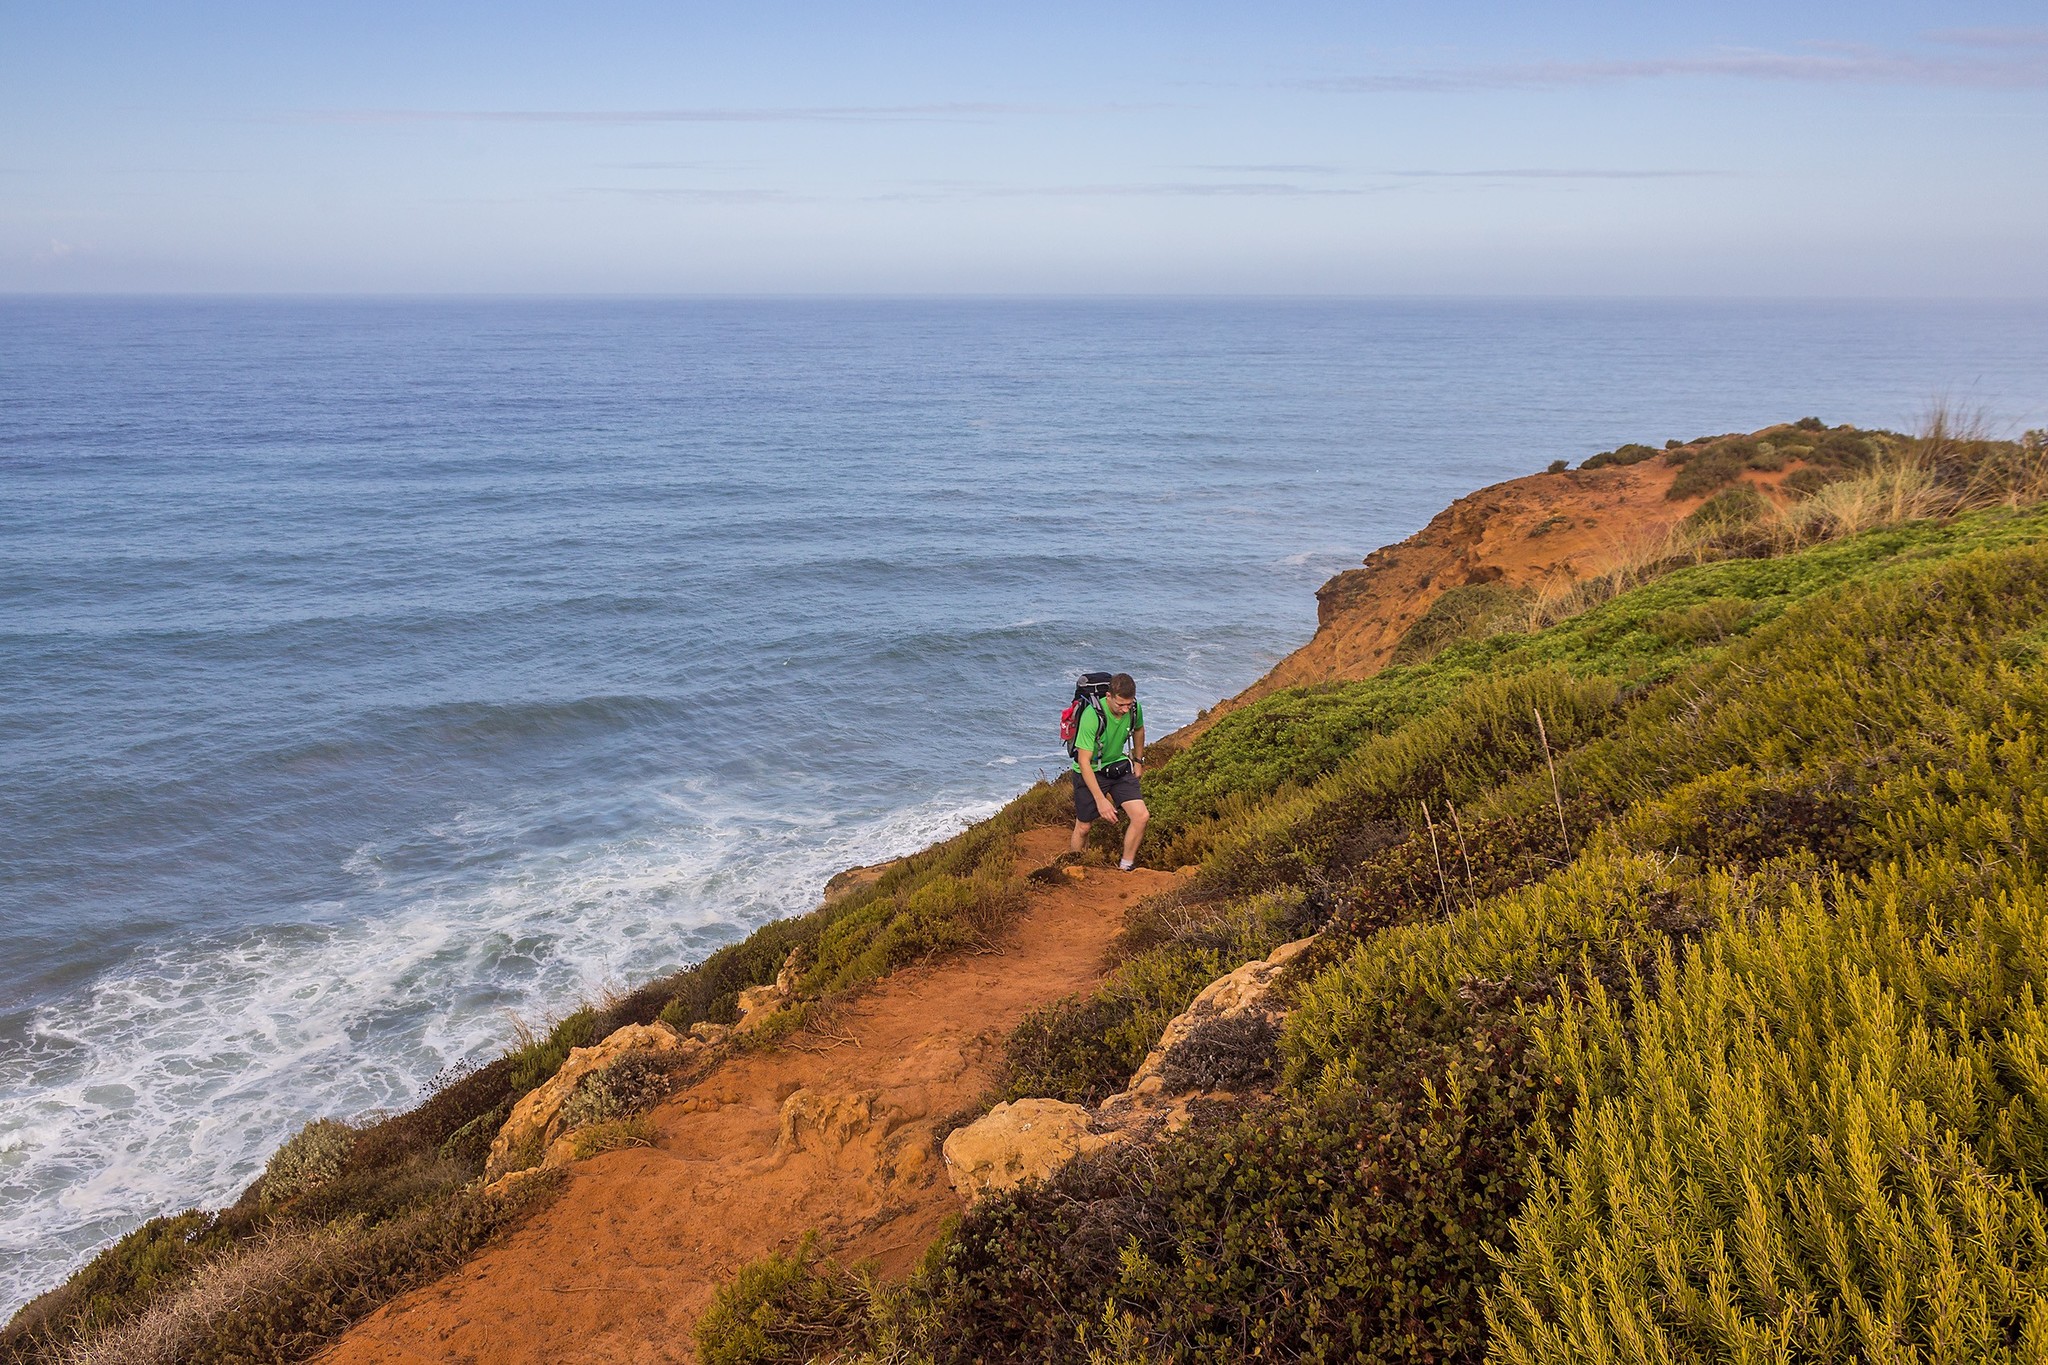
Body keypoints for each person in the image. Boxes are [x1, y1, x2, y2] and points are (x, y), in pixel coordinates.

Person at [1070, 672, 1148, 870]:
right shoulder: (1092, 716)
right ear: (1109, 697)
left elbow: (1139, 729)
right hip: (1090, 771)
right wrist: (1100, 800)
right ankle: (1074, 868)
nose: (1124, 710)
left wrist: (1138, 760)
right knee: (1084, 827)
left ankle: (1126, 866)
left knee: (1141, 816)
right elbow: (1084, 761)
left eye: (1128, 704)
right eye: (1120, 704)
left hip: (1118, 767)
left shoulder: (1134, 709)